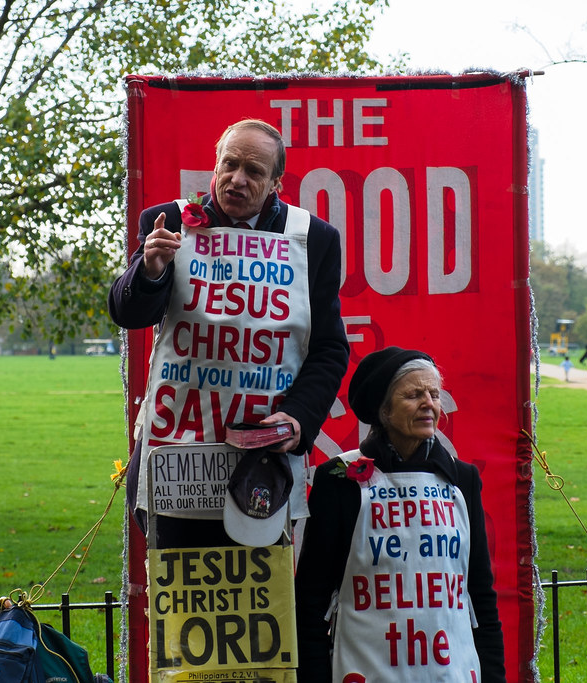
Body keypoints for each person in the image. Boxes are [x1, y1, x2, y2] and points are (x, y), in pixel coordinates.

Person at [108, 118, 349, 547]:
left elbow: (329, 348)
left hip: (262, 458)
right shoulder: (169, 221)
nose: (237, 180)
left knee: (261, 605)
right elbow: (129, 313)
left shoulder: (314, 240)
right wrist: (149, 270)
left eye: (254, 171)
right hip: (177, 454)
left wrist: (298, 419)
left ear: (276, 182)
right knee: (182, 602)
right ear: (215, 167)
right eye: (229, 165)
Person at [295, 347, 505, 682]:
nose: (429, 404)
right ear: (383, 410)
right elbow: (312, 596)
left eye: (434, 394)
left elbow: (479, 594)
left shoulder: (462, 479)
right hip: (365, 669)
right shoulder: (339, 479)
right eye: (413, 395)